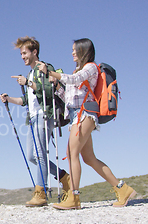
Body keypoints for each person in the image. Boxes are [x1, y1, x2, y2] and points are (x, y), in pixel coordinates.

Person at [38, 38, 136, 210]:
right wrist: (56, 86)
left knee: (71, 153)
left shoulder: (90, 67)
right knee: (89, 158)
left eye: (75, 50)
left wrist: (51, 73)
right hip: (77, 114)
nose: (72, 53)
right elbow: (68, 98)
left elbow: (75, 79)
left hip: (85, 114)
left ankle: (74, 197)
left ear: (83, 51)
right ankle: (123, 189)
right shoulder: (78, 70)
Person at [0, 36, 70, 207]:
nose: (22, 56)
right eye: (21, 54)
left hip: (44, 115)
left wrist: (28, 82)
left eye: (24, 53)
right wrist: (9, 99)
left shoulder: (44, 68)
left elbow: (48, 90)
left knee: (40, 155)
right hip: (32, 118)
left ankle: (41, 193)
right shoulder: (31, 73)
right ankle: (63, 177)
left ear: (34, 52)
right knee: (33, 156)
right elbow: (26, 101)